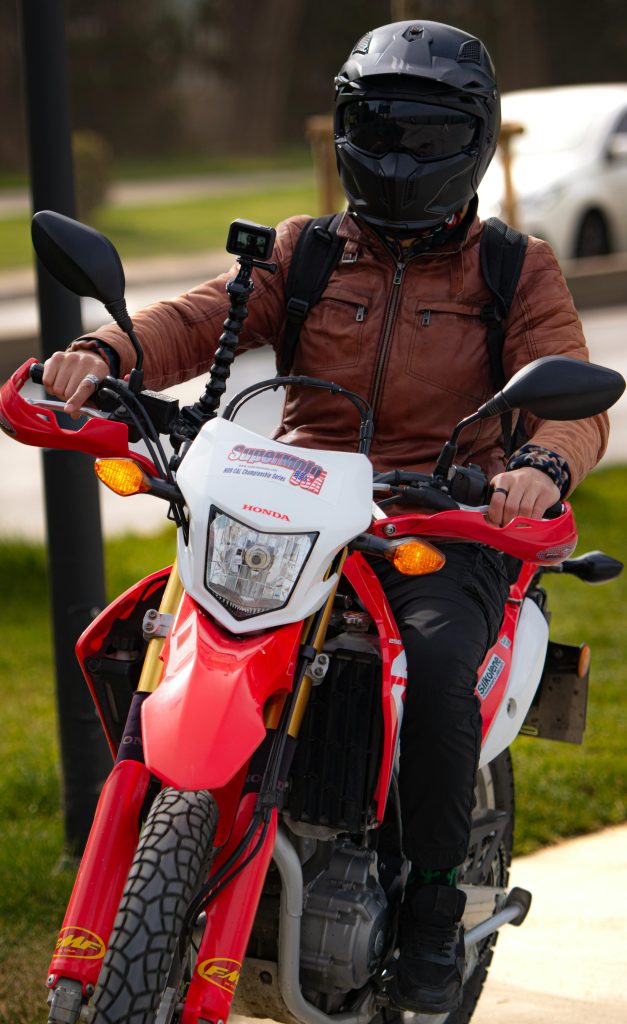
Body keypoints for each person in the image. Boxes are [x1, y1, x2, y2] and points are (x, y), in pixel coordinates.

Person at [43, 20, 608, 1016]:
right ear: (347, 129)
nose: (400, 153)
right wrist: (106, 353)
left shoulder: (515, 270)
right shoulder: (306, 254)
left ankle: (433, 914)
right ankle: (175, 835)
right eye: (380, 126)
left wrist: (538, 466)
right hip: (298, 511)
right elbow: (196, 320)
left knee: (433, 672)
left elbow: (575, 401)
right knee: (148, 630)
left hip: (445, 522)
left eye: (427, 134)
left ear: (472, 141)